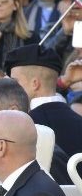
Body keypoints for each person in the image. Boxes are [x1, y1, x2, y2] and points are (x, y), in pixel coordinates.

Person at [6, 44, 82, 178]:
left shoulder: (25, 126)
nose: (10, 88)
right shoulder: (78, 121)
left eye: (14, 82)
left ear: (35, 83)